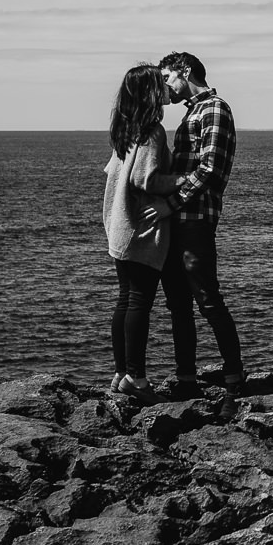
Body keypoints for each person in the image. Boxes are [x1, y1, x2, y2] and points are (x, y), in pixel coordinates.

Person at [158, 51, 246, 392]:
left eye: (167, 78)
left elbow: (209, 168)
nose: (165, 88)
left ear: (186, 71)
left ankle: (234, 374)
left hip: (195, 220)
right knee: (178, 303)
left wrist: (171, 203)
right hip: (179, 220)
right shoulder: (193, 112)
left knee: (208, 299)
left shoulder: (214, 108)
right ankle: (186, 378)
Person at [101, 63, 177, 403]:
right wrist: (184, 179)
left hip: (119, 228)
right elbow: (144, 180)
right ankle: (137, 377)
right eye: (160, 83)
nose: (166, 88)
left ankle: (121, 372)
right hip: (140, 228)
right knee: (139, 303)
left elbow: (117, 173)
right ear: (151, 92)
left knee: (125, 300)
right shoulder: (152, 131)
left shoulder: (126, 128)